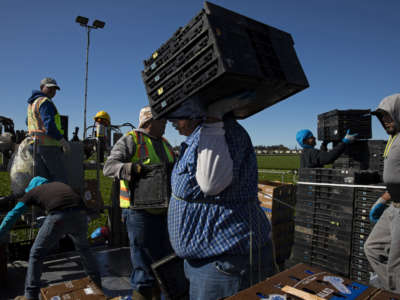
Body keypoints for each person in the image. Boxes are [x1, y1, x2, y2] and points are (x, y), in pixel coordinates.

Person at [167, 97, 276, 300]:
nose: (172, 123)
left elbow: (211, 183)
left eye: (178, 117)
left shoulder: (221, 131)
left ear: (195, 112)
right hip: (207, 261)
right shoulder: (202, 134)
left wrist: (214, 117)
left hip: (226, 263)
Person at [103, 106, 175, 300]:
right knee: (143, 264)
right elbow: (109, 167)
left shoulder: (166, 144)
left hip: (164, 211)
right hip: (139, 212)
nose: (166, 124)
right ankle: (141, 294)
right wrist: (131, 168)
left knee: (165, 261)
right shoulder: (131, 139)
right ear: (148, 122)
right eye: (162, 121)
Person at [0, 177, 101, 300]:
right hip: (81, 215)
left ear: (32, 187)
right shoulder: (58, 184)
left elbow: (13, 214)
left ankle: (30, 296)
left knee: (36, 253)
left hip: (59, 216)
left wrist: (1, 232)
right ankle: (97, 285)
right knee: (84, 249)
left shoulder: (32, 192)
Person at [364, 93, 400, 293]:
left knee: (396, 264)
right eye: (382, 117)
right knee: (373, 248)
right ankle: (391, 289)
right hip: (393, 206)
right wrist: (383, 199)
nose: (385, 121)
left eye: (388, 115)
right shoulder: (393, 139)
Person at [27, 77, 70, 183]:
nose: (53, 91)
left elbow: (28, 121)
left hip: (35, 145)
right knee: (60, 179)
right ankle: (61, 199)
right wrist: (62, 141)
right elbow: (49, 126)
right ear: (42, 87)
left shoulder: (33, 103)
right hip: (49, 146)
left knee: (42, 180)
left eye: (55, 89)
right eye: (50, 88)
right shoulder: (45, 102)